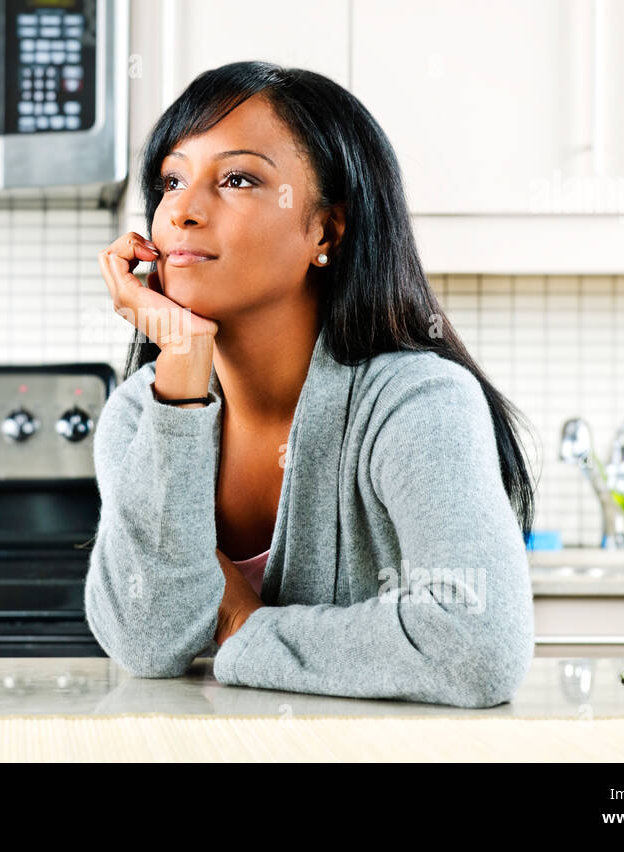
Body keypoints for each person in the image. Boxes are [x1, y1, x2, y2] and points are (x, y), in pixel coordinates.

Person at [84, 61, 538, 708]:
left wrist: (245, 626)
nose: (182, 210)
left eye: (237, 179)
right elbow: (148, 642)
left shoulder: (417, 403)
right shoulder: (142, 414)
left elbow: (476, 647)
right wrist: (179, 368)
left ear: (324, 228)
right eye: (171, 180)